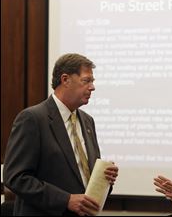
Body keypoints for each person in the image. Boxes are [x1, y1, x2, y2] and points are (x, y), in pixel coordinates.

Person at [3, 53, 119, 216]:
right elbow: (15, 177)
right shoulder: (33, 119)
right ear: (65, 80)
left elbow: (82, 177)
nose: (92, 87)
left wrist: (104, 179)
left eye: (92, 81)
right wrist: (66, 200)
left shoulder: (87, 121)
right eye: (86, 80)